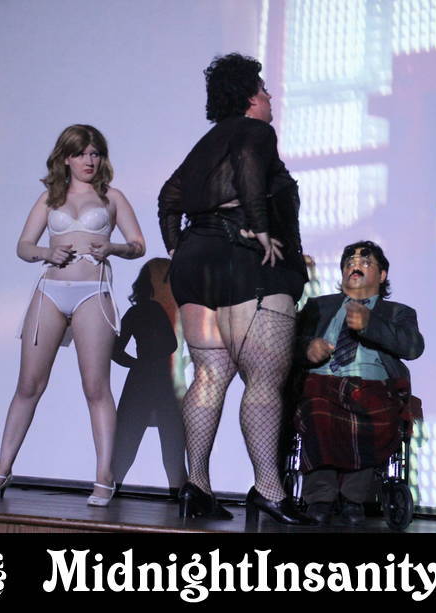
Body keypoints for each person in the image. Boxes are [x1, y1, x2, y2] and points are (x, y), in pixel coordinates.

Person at [157, 53, 311, 525]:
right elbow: (247, 167)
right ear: (248, 97)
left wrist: (180, 247)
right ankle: (269, 490)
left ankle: (197, 486)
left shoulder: (205, 145)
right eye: (263, 89)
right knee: (263, 380)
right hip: (247, 265)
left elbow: (168, 197)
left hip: (197, 265)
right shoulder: (255, 132)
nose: (270, 96)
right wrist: (260, 228)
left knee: (208, 375)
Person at [0, 124, 145, 506]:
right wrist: (45, 253)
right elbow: (24, 245)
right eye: (81, 153)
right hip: (50, 291)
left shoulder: (112, 197)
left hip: (93, 292)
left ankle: (103, 478)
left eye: (95, 153)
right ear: (65, 158)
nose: (89, 160)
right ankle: (1, 470)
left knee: (96, 387)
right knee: (28, 385)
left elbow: (138, 244)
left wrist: (114, 248)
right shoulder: (49, 198)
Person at [293, 241, 424, 525]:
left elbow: (413, 347)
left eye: (366, 262)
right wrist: (307, 348)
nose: (356, 266)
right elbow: (288, 343)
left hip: (373, 388)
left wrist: (370, 324)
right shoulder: (318, 307)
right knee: (316, 409)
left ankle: (352, 498)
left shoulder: (398, 312)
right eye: (350, 263)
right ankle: (321, 498)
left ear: (382, 275)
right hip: (323, 382)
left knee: (373, 413)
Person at [111, 258, 187, 489]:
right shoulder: (158, 311)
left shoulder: (135, 312)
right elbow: (171, 344)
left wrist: (137, 364)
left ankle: (110, 489)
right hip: (162, 379)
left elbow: (115, 350)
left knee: (125, 446)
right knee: (172, 450)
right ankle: (179, 495)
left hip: (140, 379)